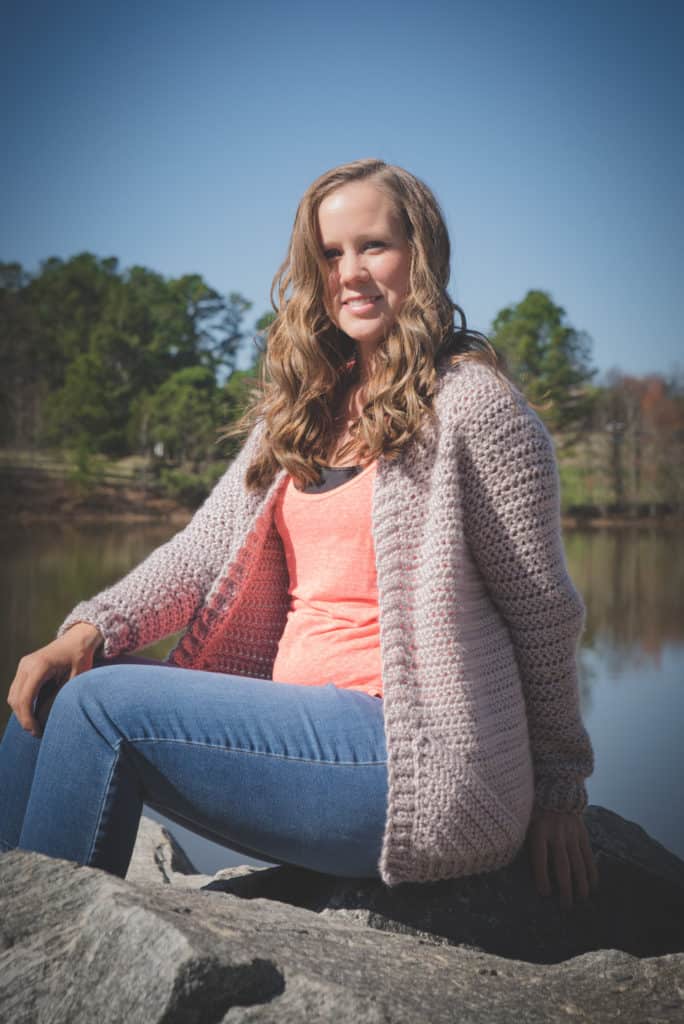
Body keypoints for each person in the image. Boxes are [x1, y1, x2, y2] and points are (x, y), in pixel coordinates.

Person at [0, 158, 598, 908]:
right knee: (54, 693)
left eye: (373, 246)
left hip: (426, 764)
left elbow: (544, 615)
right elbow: (197, 554)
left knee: (100, 711)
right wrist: (89, 629)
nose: (350, 272)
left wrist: (560, 794)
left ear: (423, 254)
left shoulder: (477, 410)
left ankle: (47, 959)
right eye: (329, 253)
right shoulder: (304, 406)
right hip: (306, 750)